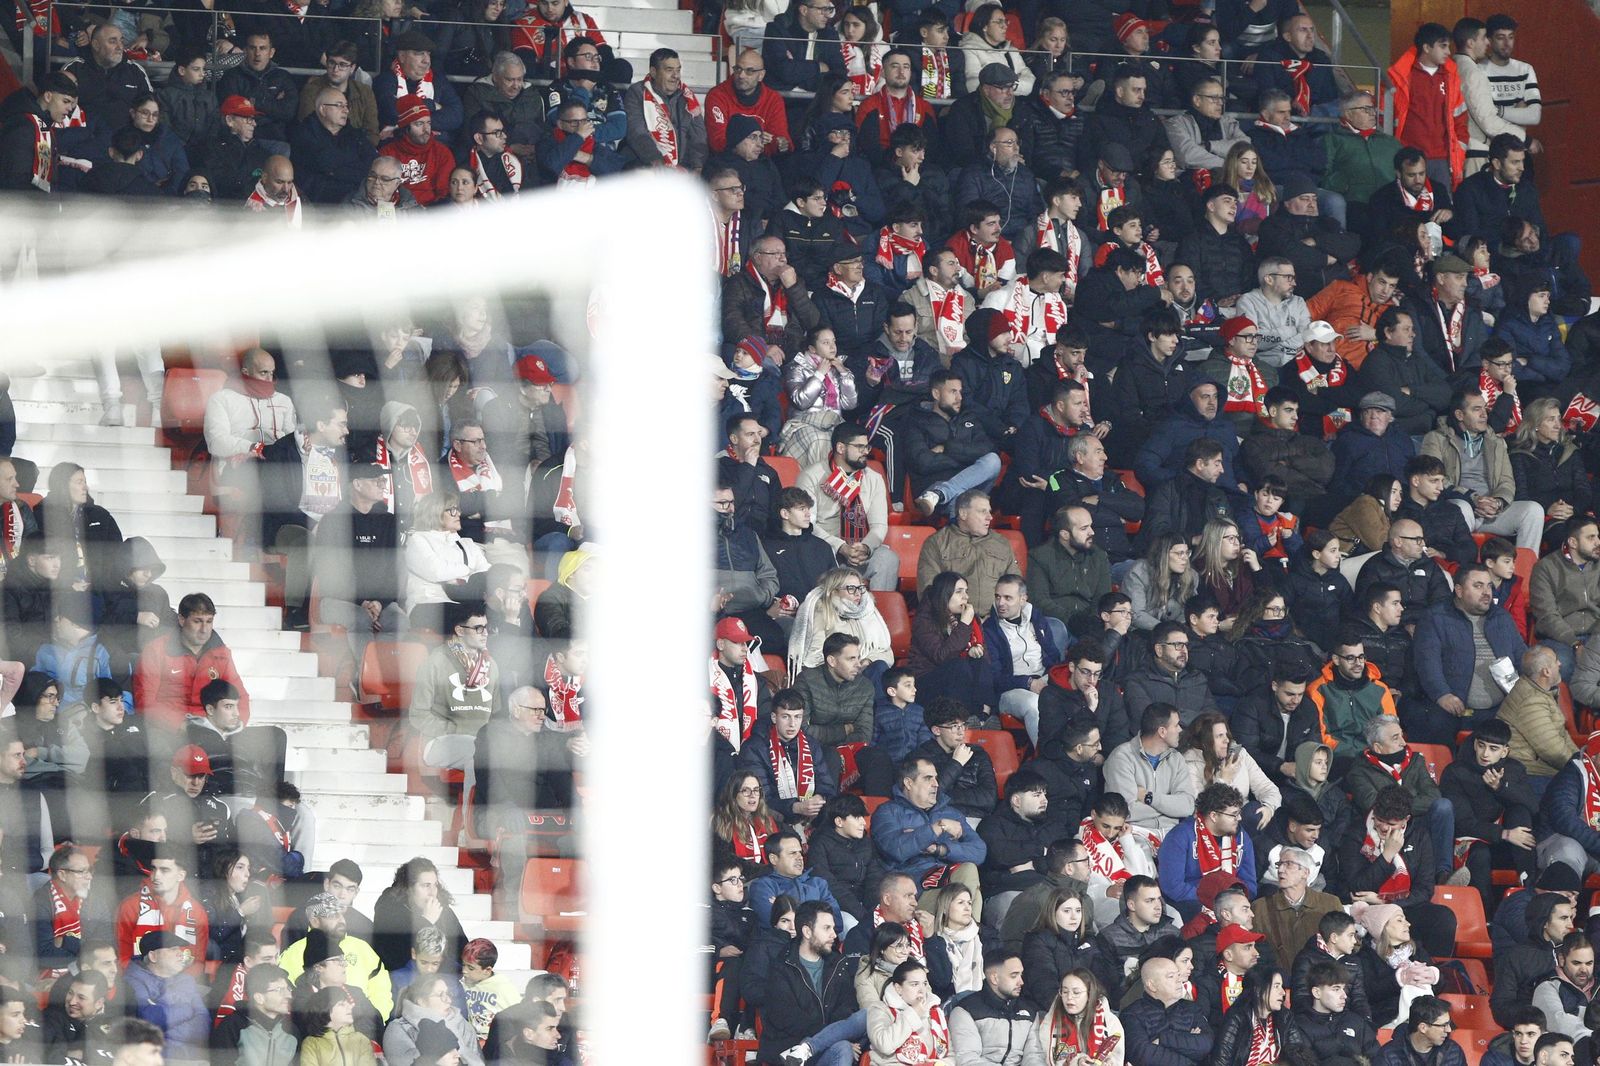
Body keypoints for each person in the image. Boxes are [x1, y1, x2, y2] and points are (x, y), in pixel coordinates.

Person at [1410, 562, 1528, 742]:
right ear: (1459, 591)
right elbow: (1427, 663)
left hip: (1501, 707)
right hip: (1454, 707)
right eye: (1478, 586)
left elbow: (1521, 656)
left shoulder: (1501, 617)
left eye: (1489, 585)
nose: (1487, 592)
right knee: (1434, 724)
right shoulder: (1435, 617)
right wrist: (1442, 694)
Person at [1420, 385, 1544, 551]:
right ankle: (1463, 565)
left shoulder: (1496, 442)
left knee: (1533, 510)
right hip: (1459, 506)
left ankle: (1525, 571)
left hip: (1490, 511)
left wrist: (1498, 502)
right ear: (1459, 415)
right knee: (1460, 507)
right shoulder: (1436, 439)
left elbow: (1506, 481)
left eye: (1485, 409)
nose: (1484, 414)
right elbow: (1433, 479)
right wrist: (1473, 499)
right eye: (1476, 409)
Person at [1344, 716, 1460, 888]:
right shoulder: (1359, 771)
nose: (1403, 743)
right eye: (1395, 738)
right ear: (1378, 747)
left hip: (1414, 823)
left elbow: (1433, 795)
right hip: (1383, 827)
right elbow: (1374, 804)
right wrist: (1401, 812)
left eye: (1402, 736)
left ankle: (1443, 874)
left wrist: (1403, 811)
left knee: (1443, 807)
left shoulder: (1415, 760)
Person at [1441, 718, 1538, 898]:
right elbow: (1463, 823)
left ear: (1504, 752)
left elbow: (1533, 807)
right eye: (1481, 745)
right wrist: (1505, 834)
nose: (1485, 754)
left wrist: (1501, 788)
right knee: (1480, 854)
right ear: (1475, 744)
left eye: (1493, 749)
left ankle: (1528, 888)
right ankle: (1484, 917)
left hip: (1506, 844)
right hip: (1472, 840)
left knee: (1520, 812)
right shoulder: (1455, 772)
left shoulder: (1514, 769)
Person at [1295, 627, 1400, 767]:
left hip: (1374, 759)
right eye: (1350, 658)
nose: (1358, 663)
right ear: (1336, 660)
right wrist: (1351, 753)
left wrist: (1372, 753)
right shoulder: (1317, 690)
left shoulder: (1380, 690)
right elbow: (1319, 735)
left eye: (1361, 657)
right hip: (1335, 760)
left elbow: (1391, 732)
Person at [1156, 783, 1256, 920]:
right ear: (1214, 816)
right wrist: (1214, 901)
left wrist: (1234, 900)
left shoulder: (1241, 837)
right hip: (1192, 903)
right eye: (1234, 814)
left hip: (1230, 901)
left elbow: (1250, 884)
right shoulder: (1180, 836)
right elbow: (1173, 886)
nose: (1239, 819)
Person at [1104, 704, 1197, 837]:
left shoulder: (1176, 759)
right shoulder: (1122, 757)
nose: (1180, 729)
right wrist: (1171, 808)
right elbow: (1127, 811)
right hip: (1136, 833)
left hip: (1172, 833)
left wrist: (1149, 797)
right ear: (1162, 732)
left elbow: (1187, 806)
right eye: (1176, 725)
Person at [1501, 646, 1578, 793]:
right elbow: (1553, 751)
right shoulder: (1530, 701)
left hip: (1543, 771)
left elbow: (1561, 736)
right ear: (1546, 672)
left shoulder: (1538, 691)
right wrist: (1583, 769)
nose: (1560, 664)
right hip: (1531, 776)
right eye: (1556, 661)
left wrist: (1582, 760)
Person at [949, 948, 1045, 1063]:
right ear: (994, 978)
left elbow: (1034, 1056)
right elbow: (968, 1060)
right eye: (1014, 976)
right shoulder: (965, 1010)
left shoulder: (1029, 1011)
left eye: (1021, 975)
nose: (1021, 982)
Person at [124, 930, 209, 1058]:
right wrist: (185, 1008)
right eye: (173, 949)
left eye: (180, 949)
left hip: (190, 1057)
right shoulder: (131, 981)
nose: (180, 954)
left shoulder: (187, 980)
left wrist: (163, 1039)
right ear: (153, 956)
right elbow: (149, 1020)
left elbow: (203, 1021)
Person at [1352, 519, 1451, 626]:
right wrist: (1404, 626)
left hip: (1428, 624)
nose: (1423, 544)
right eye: (1417, 539)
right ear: (1398, 542)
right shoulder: (1373, 568)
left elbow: (1443, 600)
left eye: (1423, 539)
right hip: (1392, 630)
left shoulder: (1429, 564)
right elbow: (1369, 609)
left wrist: (1423, 625)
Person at [913, 699, 997, 823]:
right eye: (954, 726)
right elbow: (926, 799)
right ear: (936, 730)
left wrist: (946, 796)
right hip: (938, 819)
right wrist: (956, 763)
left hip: (978, 820)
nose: (961, 731)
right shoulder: (920, 758)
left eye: (963, 725)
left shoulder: (978, 754)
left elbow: (990, 799)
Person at [1120, 956, 1213, 1066]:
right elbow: (1144, 1056)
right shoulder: (1132, 1014)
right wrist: (1188, 1043)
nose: (1179, 980)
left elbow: (1205, 1045)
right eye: (1171, 976)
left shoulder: (1191, 1008)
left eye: (1178, 975)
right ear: (1152, 985)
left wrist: (1163, 1040)